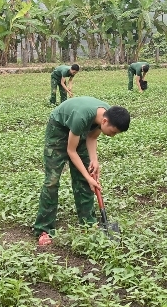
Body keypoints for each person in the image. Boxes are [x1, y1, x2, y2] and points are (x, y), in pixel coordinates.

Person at [33, 97, 130, 246]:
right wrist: (88, 176)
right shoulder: (82, 117)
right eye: (113, 132)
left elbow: (91, 136)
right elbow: (71, 151)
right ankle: (43, 228)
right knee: (52, 181)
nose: (113, 135)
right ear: (105, 122)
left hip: (79, 131)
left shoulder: (107, 114)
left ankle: (87, 222)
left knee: (84, 180)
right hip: (58, 130)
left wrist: (94, 160)